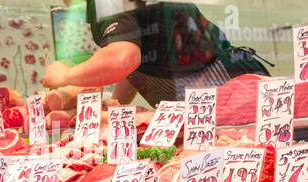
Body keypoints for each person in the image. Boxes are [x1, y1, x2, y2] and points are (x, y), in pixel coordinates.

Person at [42, 0, 273, 106]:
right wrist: (114, 104)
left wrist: (64, 75)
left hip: (226, 93)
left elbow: (122, 58)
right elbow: (135, 64)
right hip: (214, 94)